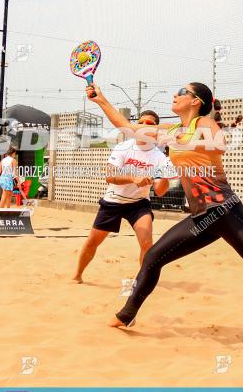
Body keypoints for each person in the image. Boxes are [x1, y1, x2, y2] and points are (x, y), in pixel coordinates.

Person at [86, 82, 243, 364]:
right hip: (201, 216)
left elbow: (219, 144)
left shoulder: (206, 124)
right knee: (153, 256)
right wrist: (101, 101)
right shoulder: (172, 130)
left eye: (181, 92)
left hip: (224, 209)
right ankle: (125, 316)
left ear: (196, 101)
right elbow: (128, 128)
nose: (174, 95)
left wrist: (181, 140)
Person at [73, 110, 172, 283]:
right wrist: (133, 178)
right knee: (92, 242)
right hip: (113, 201)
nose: (143, 126)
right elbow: (110, 177)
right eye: (140, 122)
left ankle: (141, 282)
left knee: (147, 244)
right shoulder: (123, 147)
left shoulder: (160, 157)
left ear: (155, 129)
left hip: (139, 204)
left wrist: (165, 175)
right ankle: (77, 275)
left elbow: (160, 191)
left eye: (149, 124)